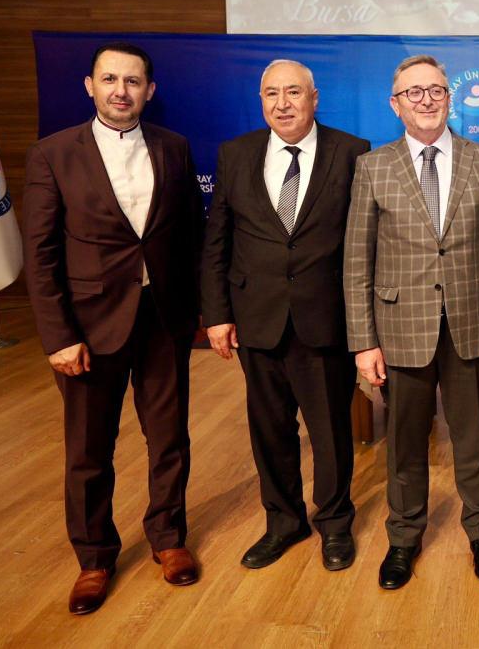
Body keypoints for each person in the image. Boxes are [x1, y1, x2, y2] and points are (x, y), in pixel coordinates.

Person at [23, 42, 203, 614]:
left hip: (163, 320)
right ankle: (95, 557)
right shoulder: (53, 154)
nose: (120, 91)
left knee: (169, 438)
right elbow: (40, 254)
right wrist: (58, 337)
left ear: (150, 90)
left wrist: (199, 311)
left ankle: (168, 538)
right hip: (87, 327)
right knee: (88, 449)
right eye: (109, 79)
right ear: (90, 86)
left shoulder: (174, 147)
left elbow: (190, 237)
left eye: (132, 81)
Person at [343, 54, 479, 589]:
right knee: (405, 443)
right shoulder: (373, 167)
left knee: (474, 440)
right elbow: (357, 260)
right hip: (400, 330)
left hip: (473, 323)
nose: (426, 100)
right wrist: (363, 341)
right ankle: (403, 538)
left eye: (435, 90)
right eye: (413, 92)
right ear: (395, 105)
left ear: (449, 98)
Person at [201, 59, 370, 572]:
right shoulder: (235, 154)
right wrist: (216, 314)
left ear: (314, 98)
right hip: (257, 318)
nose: (283, 103)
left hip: (325, 318)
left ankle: (335, 523)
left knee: (331, 432)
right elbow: (217, 241)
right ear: (261, 101)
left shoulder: (352, 152)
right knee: (269, 430)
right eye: (272, 93)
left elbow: (365, 243)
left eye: (293, 92)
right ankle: (283, 522)